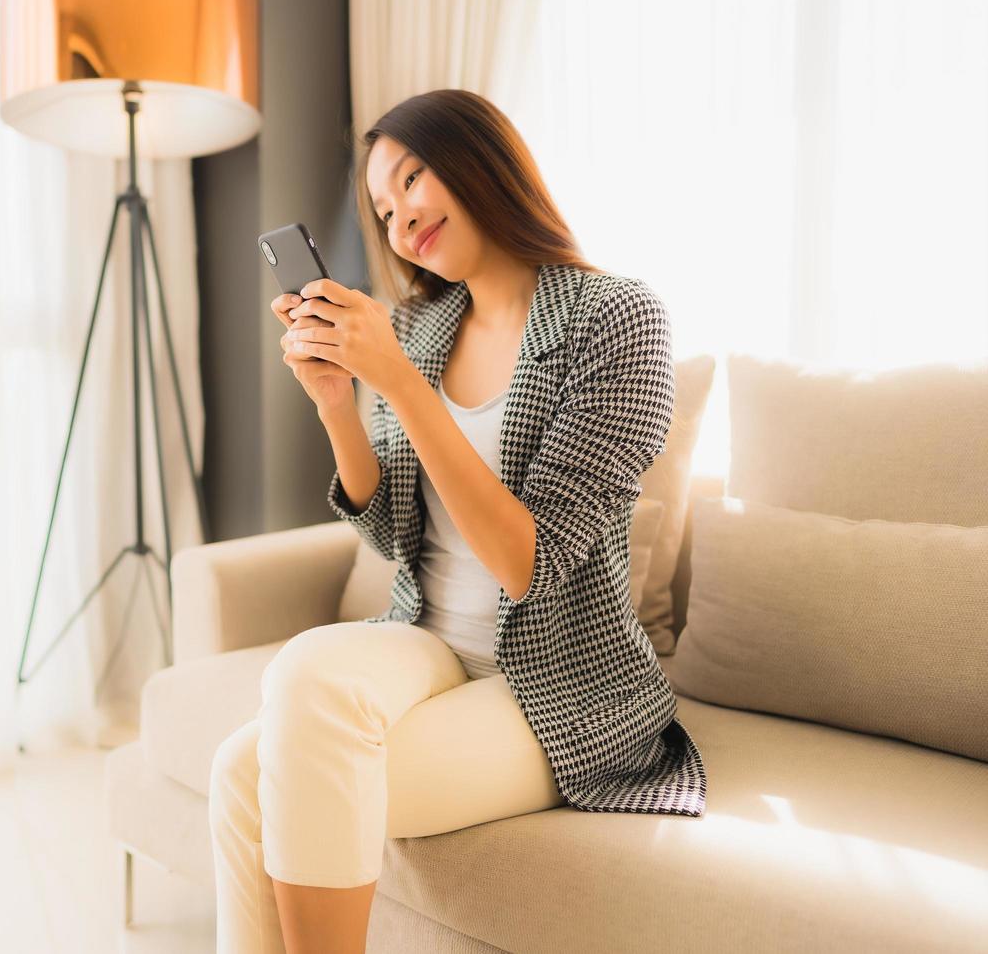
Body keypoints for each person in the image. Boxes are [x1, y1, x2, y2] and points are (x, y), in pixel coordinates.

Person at [208, 88, 707, 954]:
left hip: (555, 682)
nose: (401, 218)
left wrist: (397, 382)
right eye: (383, 208)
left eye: (413, 178)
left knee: (259, 771)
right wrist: (337, 401)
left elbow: (530, 563)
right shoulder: (425, 328)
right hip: (430, 642)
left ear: (483, 160)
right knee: (273, 722)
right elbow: (398, 533)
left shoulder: (617, 319)